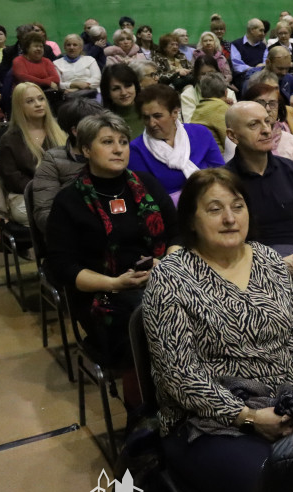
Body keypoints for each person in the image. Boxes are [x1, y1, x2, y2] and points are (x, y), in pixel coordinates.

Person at [142, 168, 293, 492]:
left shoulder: (269, 260)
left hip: (290, 404)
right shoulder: (171, 276)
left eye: (238, 206)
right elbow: (180, 377)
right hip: (210, 425)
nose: (229, 218)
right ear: (192, 220)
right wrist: (250, 417)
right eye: (214, 209)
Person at [46, 112, 178, 369]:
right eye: (107, 142)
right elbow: (63, 267)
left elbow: (177, 232)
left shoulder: (146, 184)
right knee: (156, 317)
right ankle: (152, 399)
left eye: (123, 142)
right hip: (102, 296)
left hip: (160, 279)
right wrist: (115, 283)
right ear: (86, 149)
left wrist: (164, 265)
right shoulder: (68, 201)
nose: (118, 149)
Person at [224, 102, 293, 273]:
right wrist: (275, 267)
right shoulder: (224, 180)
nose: (266, 130)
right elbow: (227, 247)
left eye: (267, 122)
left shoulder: (290, 169)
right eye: (253, 125)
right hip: (251, 266)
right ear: (233, 136)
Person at [127, 84, 223, 203]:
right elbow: (146, 198)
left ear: (174, 113)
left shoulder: (201, 133)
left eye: (158, 116)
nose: (151, 123)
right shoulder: (136, 150)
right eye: (146, 118)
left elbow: (221, 174)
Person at [0, 82, 68, 224]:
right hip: (26, 195)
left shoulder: (60, 130)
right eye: (30, 101)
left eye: (41, 99)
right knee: (58, 215)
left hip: (62, 192)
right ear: (19, 107)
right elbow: (12, 179)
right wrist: (45, 189)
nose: (38, 104)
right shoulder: (10, 139)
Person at [31, 96, 104, 233]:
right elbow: (43, 214)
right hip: (73, 237)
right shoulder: (53, 160)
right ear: (75, 131)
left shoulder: (111, 154)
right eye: (94, 125)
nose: (102, 129)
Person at [100, 62, 143, 137]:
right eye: (116, 88)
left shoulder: (150, 112)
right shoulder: (103, 122)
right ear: (108, 93)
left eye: (128, 86)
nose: (123, 93)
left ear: (136, 86)